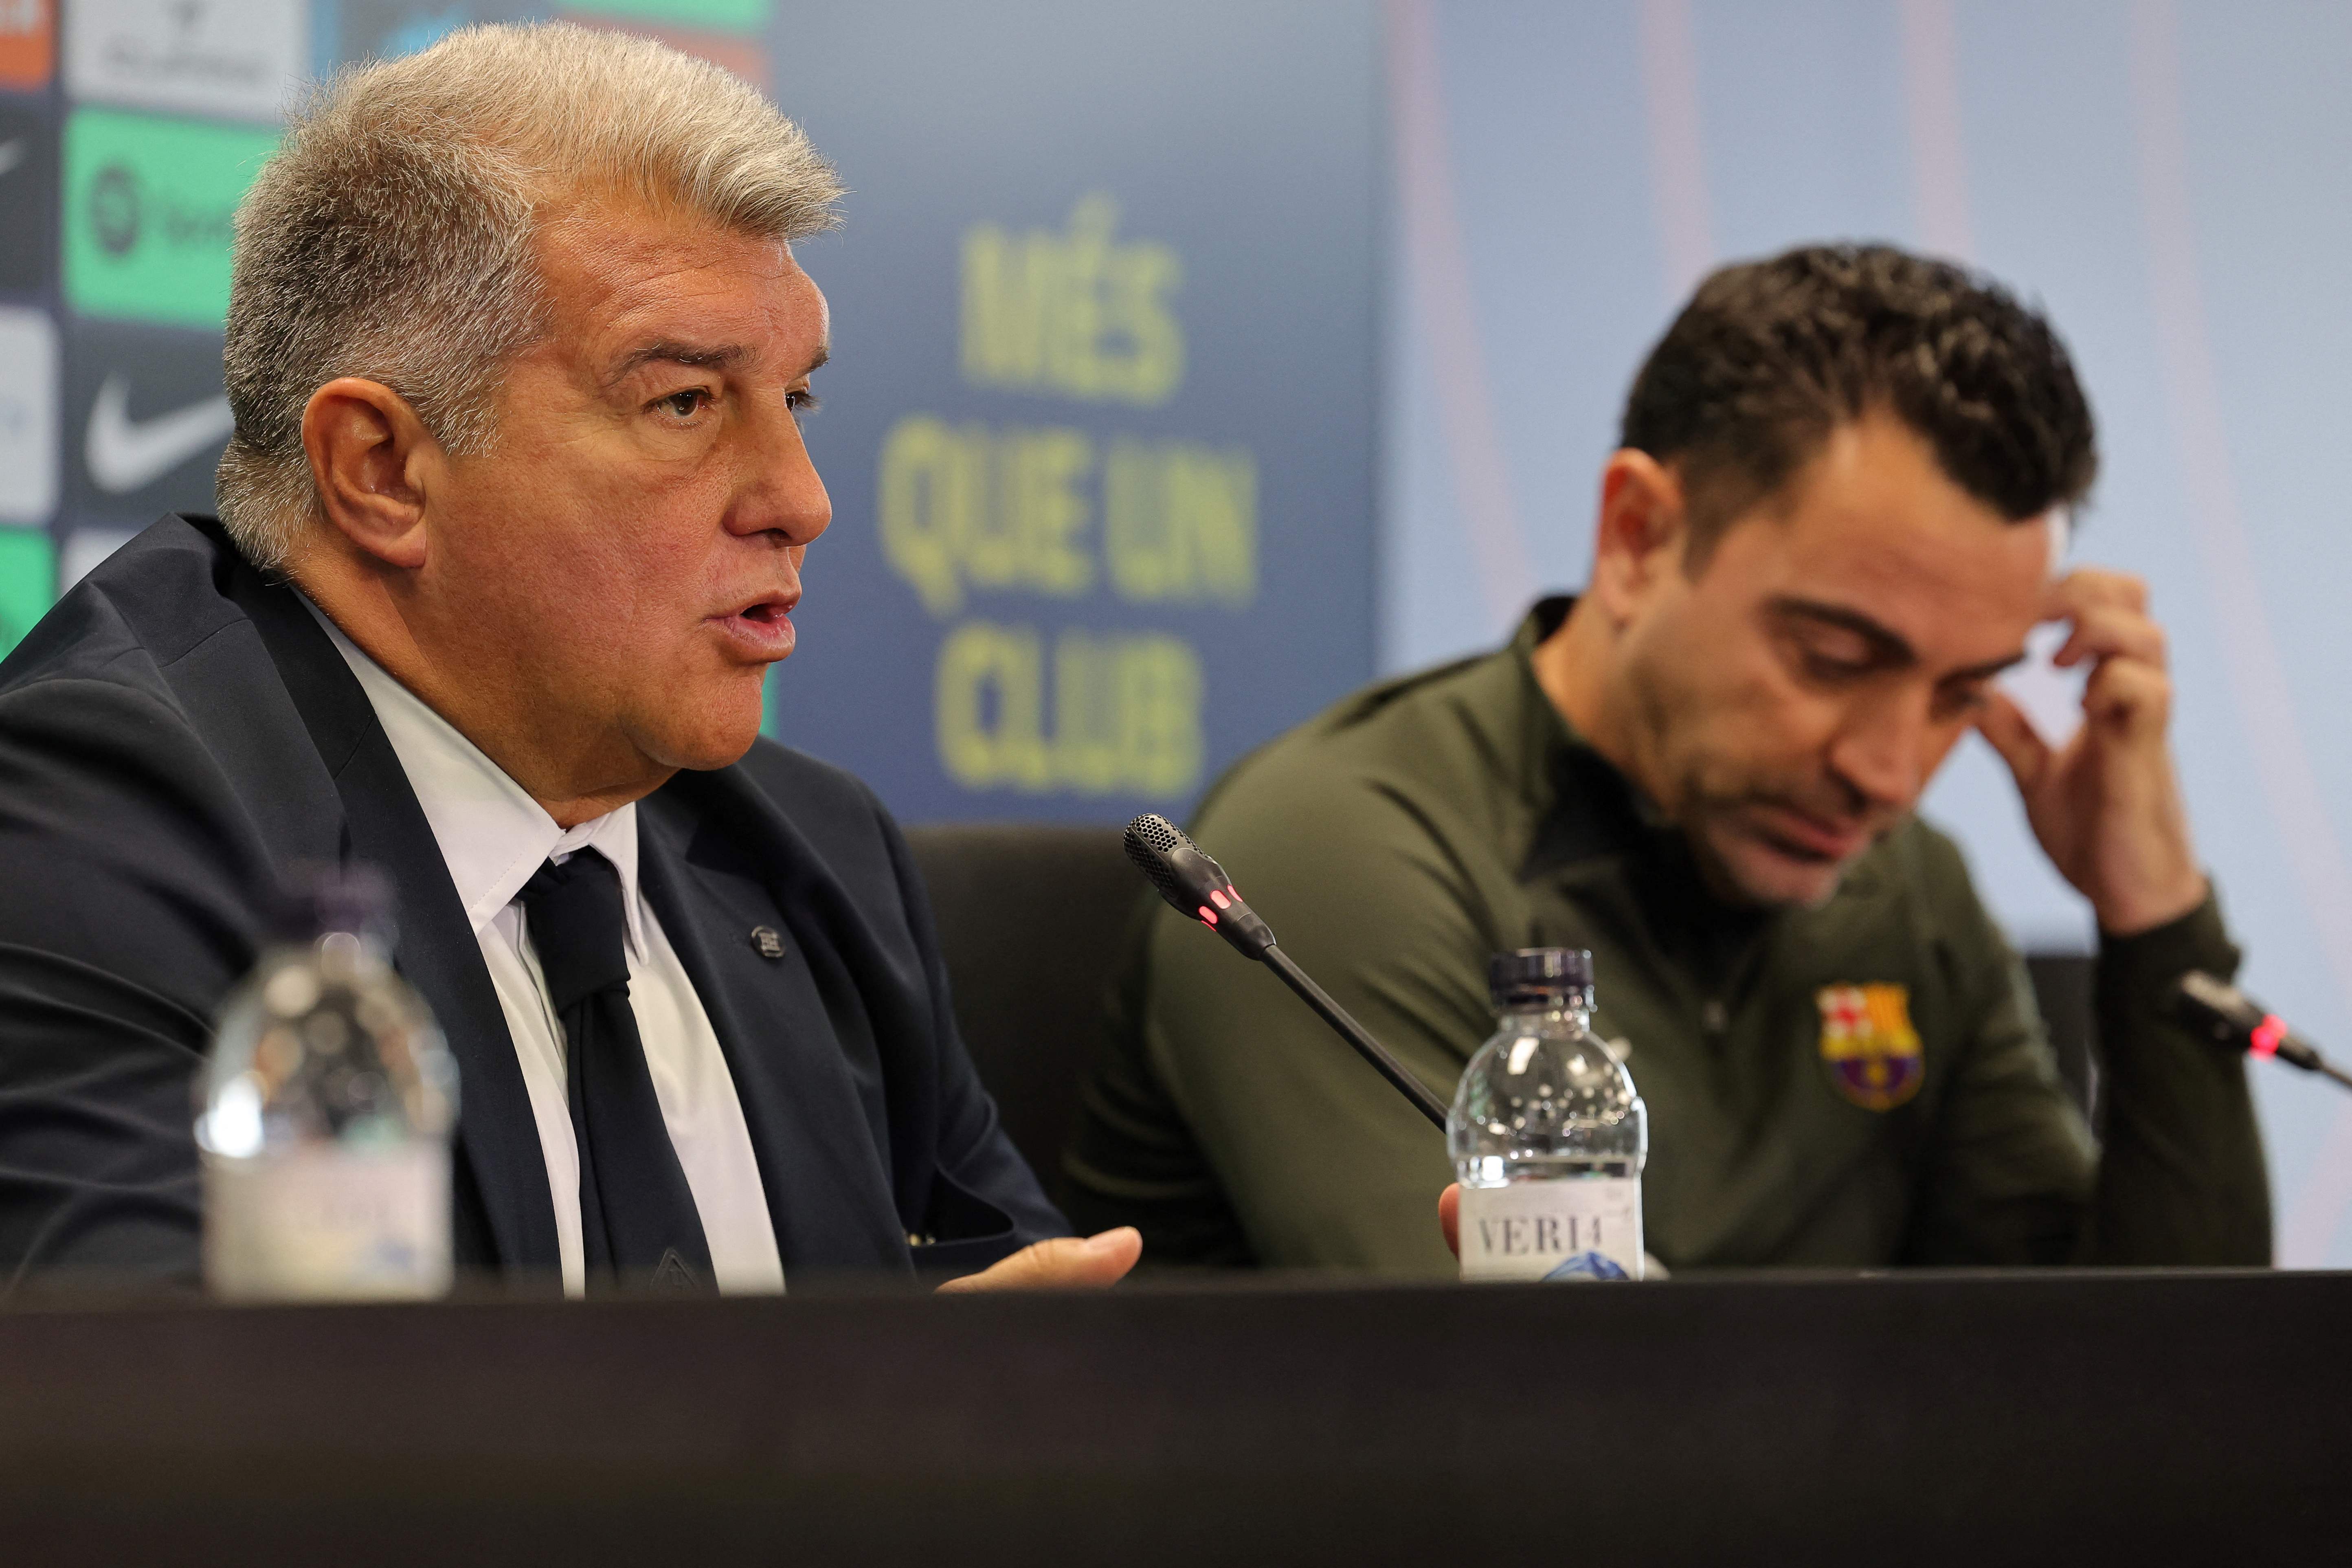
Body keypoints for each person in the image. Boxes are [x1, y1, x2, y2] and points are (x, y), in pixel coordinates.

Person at [0, 23, 1138, 1296]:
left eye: (796, 401)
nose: (801, 499)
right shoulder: (90, 825)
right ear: (382, 471)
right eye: (686, 403)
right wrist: (852, 1454)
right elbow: (156, 1438)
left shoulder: (815, 856)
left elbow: (1045, 1324)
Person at [1065, 244, 2270, 1275]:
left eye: (1962, 693)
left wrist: (2153, 909)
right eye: (1835, 656)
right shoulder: (1337, 856)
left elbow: (2179, 1393)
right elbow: (1533, 1424)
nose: (1893, 773)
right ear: (1638, 538)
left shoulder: (1906, 890)